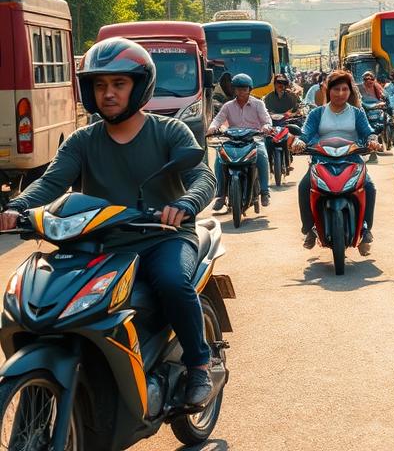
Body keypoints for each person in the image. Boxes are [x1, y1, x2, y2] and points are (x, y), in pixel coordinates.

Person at [0, 37, 217, 406]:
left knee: (172, 281)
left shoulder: (169, 131)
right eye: (99, 85)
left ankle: (199, 364)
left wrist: (184, 203)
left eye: (118, 84)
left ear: (139, 86)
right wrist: (14, 208)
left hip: (162, 238)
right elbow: (52, 182)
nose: (108, 94)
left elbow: (203, 176)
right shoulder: (83, 140)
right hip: (97, 244)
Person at [292, 70, 379, 253]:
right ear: (328, 90)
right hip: (321, 161)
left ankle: (365, 229)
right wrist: (300, 142)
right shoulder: (317, 113)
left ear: (350, 91)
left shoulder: (357, 113)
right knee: (303, 187)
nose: (340, 93)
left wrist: (373, 140)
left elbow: (368, 131)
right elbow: (306, 133)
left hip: (352, 160)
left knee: (369, 187)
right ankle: (309, 229)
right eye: (336, 89)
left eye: (344, 89)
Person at [206, 73, 273, 209]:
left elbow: (266, 121)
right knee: (220, 158)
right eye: (237, 89)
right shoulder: (228, 106)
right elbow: (218, 120)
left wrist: (266, 127)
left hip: (254, 139)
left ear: (250, 89)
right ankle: (221, 195)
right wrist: (212, 128)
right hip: (233, 139)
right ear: (233, 90)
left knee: (262, 155)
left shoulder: (258, 104)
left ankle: (265, 192)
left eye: (244, 89)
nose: (241, 92)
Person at [264, 73, 302, 174]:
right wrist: (269, 114)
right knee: (266, 140)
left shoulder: (292, 96)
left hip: (286, 123)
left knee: (296, 133)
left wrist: (292, 114)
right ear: (275, 84)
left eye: (283, 83)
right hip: (272, 124)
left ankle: (289, 156)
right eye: (278, 83)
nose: (281, 85)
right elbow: (264, 110)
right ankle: (269, 162)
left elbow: (299, 108)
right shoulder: (268, 97)